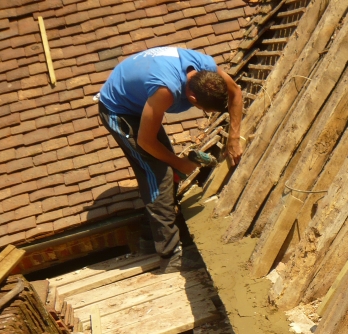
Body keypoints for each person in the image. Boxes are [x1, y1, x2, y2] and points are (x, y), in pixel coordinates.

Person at [97, 47, 243, 271]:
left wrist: (234, 137)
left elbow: (236, 92)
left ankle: (149, 239)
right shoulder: (166, 89)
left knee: (164, 168)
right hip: (119, 110)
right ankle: (170, 257)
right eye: (202, 109)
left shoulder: (206, 67)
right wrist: (179, 163)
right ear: (192, 98)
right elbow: (145, 141)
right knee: (160, 174)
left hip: (142, 101)